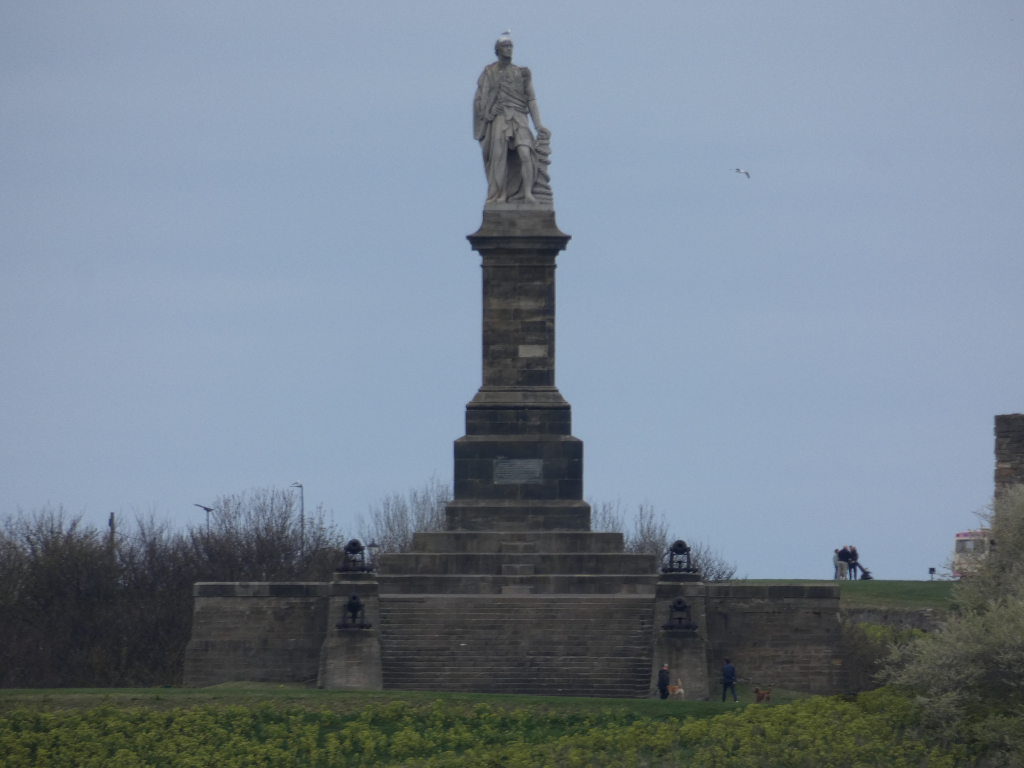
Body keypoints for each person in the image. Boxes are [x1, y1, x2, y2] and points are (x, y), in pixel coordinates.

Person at [473, 34, 549, 205]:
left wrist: (538, 126)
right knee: (501, 156)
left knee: (525, 153)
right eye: (505, 46)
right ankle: (502, 194)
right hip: (500, 118)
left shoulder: (522, 73)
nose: (509, 49)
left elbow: (531, 100)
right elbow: (481, 99)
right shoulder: (490, 73)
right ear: (498, 50)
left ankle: (528, 193)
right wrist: (489, 110)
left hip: (519, 116)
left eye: (511, 46)